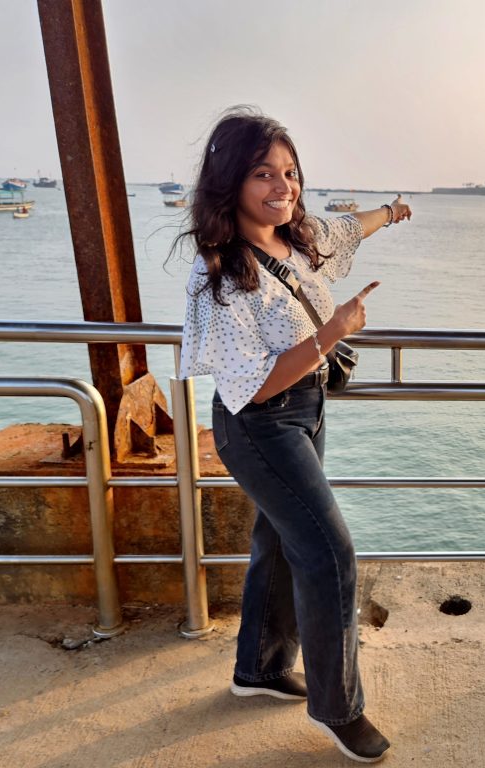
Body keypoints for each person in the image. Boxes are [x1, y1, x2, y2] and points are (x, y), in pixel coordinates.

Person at [177, 106, 410, 763]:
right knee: (330, 553)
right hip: (258, 425)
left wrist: (391, 213)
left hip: (305, 413)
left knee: (281, 543)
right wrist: (334, 333)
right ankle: (341, 710)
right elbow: (254, 384)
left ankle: (259, 667)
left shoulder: (298, 239)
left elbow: (346, 228)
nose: (283, 187)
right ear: (230, 182)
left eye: (290, 172)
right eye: (263, 174)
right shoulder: (219, 273)